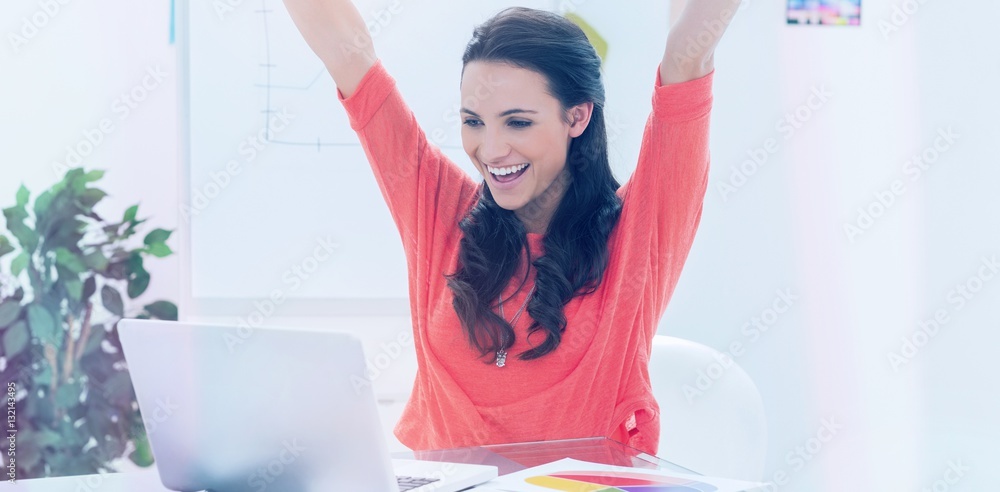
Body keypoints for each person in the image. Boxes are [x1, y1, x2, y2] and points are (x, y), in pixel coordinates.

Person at [283, 0, 739, 455]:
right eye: (473, 122)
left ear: (577, 116)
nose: (491, 148)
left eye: (518, 122)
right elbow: (346, 52)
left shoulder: (636, 234)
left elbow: (686, 57)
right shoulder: (439, 208)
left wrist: (688, 42)